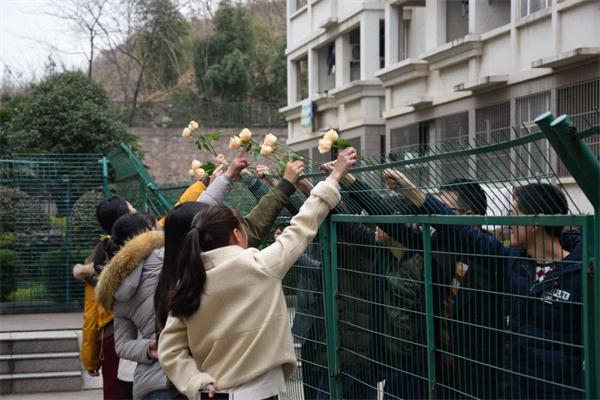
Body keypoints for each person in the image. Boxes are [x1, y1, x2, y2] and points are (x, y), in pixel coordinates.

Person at [158, 148, 358, 400]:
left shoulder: (188, 281)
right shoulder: (260, 266)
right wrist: (334, 177)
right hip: (259, 394)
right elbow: (303, 225)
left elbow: (170, 349)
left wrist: (195, 381)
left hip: (212, 393)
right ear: (237, 235)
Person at [386, 171, 583, 399]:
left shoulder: (581, 272)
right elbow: (461, 230)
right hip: (514, 388)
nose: (508, 222)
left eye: (513, 215)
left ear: (535, 222)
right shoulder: (510, 261)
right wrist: (414, 194)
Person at [95, 212, 167, 400]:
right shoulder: (165, 258)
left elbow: (122, 344)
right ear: (148, 232)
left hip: (146, 380)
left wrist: (148, 348)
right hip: (179, 375)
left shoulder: (117, 289)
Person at [73, 195, 134, 400]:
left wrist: (90, 359)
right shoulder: (144, 247)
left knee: (115, 391)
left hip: (110, 337)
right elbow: (172, 219)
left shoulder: (98, 255)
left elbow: (91, 315)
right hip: (135, 334)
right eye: (132, 209)